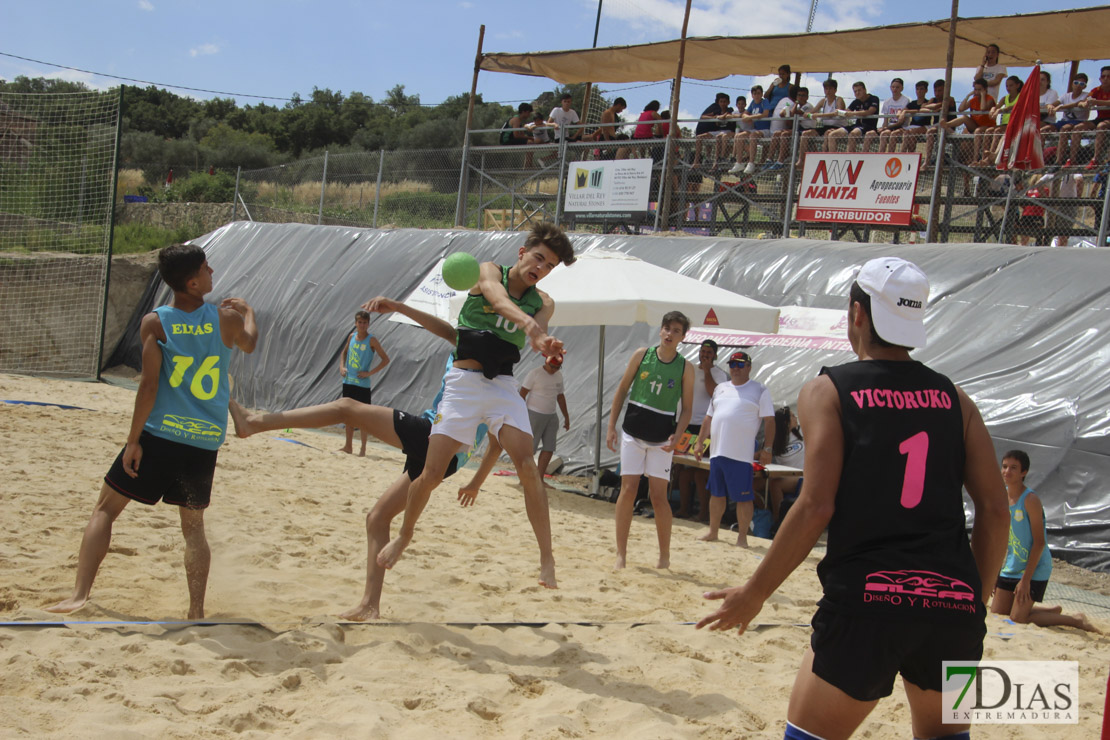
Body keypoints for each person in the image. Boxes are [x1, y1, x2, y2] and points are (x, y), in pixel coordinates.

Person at [697, 256, 1010, 740]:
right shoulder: (956, 398)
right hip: (952, 601)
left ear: (857, 314)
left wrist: (755, 593)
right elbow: (993, 509)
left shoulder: (828, 390)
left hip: (870, 597)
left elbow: (816, 505)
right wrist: (975, 601)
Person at [227, 297, 493, 621]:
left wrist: (398, 307)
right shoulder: (471, 354)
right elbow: (493, 440)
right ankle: (370, 606)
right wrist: (474, 481)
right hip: (441, 451)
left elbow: (498, 437)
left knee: (346, 408)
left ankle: (253, 423)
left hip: (433, 439)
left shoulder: (489, 366)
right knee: (377, 518)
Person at [46, 244, 259, 618]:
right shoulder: (226, 319)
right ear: (193, 283)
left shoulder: (156, 322)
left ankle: (80, 596)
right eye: (207, 268)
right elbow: (251, 343)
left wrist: (133, 441)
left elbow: (148, 386)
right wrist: (249, 312)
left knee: (104, 511)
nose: (212, 271)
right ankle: (195, 611)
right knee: (193, 529)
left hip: (160, 435)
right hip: (203, 441)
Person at [376, 222, 575, 590]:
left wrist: (544, 341)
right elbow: (498, 301)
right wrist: (530, 328)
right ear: (522, 253)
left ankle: (546, 558)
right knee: (432, 474)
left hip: (502, 385)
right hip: (463, 385)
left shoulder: (543, 302)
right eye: (539, 258)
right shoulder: (489, 270)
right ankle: (405, 534)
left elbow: (540, 330)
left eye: (549, 266)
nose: (541, 268)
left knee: (527, 466)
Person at [607, 311, 695, 570]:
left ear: (682, 337)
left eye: (676, 331)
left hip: (662, 439)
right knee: (629, 490)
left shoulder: (685, 367)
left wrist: (677, 437)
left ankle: (664, 556)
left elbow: (687, 409)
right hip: (633, 432)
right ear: (661, 330)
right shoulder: (642, 355)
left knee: (659, 497)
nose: (670, 333)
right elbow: (622, 389)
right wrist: (611, 426)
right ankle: (621, 554)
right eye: (667, 328)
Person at [989, 450, 1100, 633]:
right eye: (1005, 466)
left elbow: (1039, 543)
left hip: (1034, 568)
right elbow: (1003, 540)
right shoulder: (1002, 496)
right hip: (1012, 565)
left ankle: (1075, 620)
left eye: (1013, 468)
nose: (1007, 471)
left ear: (1023, 473)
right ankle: (1049, 610)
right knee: (998, 612)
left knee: (1018, 619)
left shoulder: (1030, 500)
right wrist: (996, 573)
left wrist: (1025, 580)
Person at [692, 350, 774, 548]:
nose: (735, 369)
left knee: (743, 497)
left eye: (740, 365)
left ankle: (742, 538)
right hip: (718, 451)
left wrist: (768, 448)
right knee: (716, 493)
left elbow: (770, 421)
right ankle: (713, 531)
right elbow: (708, 418)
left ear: (749, 367)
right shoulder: (721, 388)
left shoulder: (759, 389)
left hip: (741, 454)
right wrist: (699, 441)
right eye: (732, 365)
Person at [675, 339, 727, 521]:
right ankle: (683, 508)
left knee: (699, 469)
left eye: (709, 352)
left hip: (703, 427)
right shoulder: (689, 368)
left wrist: (707, 370)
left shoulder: (719, 374)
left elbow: (714, 393)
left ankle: (703, 512)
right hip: (685, 423)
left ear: (714, 355)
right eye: (703, 351)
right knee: (681, 470)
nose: (705, 355)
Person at [339, 309, 389, 456]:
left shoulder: (371, 340)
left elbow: (385, 359)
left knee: (363, 417)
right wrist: (342, 366)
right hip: (348, 381)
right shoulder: (352, 337)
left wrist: (369, 373)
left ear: (368, 324)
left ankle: (363, 449)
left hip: (362, 384)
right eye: (359, 322)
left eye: (364, 323)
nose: (362, 325)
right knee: (348, 415)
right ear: (355, 323)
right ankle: (348, 446)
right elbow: (344, 352)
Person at [520, 352, 570, 485]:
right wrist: (521, 414)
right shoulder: (534, 373)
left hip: (551, 415)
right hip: (534, 414)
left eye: (557, 367)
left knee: (549, 448)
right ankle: (524, 479)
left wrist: (566, 416)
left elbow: (560, 396)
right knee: (530, 448)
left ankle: (539, 479)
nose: (553, 370)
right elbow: (522, 394)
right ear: (546, 362)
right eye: (552, 366)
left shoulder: (558, 376)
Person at [937, 77, 995, 163]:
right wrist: (968, 96)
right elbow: (961, 109)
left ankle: (975, 159)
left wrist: (983, 95)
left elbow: (983, 108)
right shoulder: (973, 99)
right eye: (975, 89)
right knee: (964, 117)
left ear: (985, 89)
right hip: (975, 125)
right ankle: (947, 124)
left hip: (987, 126)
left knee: (978, 131)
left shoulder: (989, 99)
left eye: (980, 90)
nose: (977, 92)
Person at [797, 79, 848, 166]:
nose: (828, 91)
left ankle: (828, 159)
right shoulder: (823, 101)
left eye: (830, 89)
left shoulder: (839, 100)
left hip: (838, 127)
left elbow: (837, 112)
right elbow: (813, 111)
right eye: (826, 89)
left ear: (835, 90)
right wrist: (807, 114)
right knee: (805, 134)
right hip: (825, 126)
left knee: (828, 134)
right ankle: (801, 160)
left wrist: (819, 115)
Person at [768, 405, 804, 522]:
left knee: (775, 484)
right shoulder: (774, 439)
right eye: (793, 416)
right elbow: (763, 456)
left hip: (804, 476)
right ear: (786, 422)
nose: (796, 417)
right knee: (766, 484)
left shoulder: (802, 432)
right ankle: (778, 519)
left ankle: (783, 520)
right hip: (787, 477)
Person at [1048, 73, 1090, 166]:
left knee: (1064, 129)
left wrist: (1061, 107)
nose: (1078, 85)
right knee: (1043, 130)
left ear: (1084, 86)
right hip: (1063, 121)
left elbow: (1078, 103)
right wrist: (1050, 106)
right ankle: (1040, 159)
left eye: (1081, 84)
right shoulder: (1066, 96)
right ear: (1072, 84)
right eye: (1076, 82)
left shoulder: (1086, 95)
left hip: (1078, 121)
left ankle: (1060, 161)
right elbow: (1054, 103)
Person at [729, 85, 773, 174]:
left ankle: (751, 162)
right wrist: (747, 117)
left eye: (758, 93)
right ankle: (739, 162)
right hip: (756, 129)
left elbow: (765, 114)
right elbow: (745, 114)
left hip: (765, 130)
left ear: (761, 94)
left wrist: (751, 117)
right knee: (739, 136)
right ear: (752, 95)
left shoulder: (764, 102)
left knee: (753, 136)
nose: (756, 95)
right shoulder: (753, 103)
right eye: (754, 93)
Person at [826, 81, 879, 154]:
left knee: (853, 134)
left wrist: (851, 113)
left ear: (865, 90)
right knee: (832, 134)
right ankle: (833, 158)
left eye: (859, 90)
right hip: (856, 126)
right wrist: (839, 111)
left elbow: (870, 111)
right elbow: (846, 112)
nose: (857, 93)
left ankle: (850, 158)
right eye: (855, 91)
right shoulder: (856, 101)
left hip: (868, 127)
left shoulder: (874, 98)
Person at [865, 78, 910, 154]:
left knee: (889, 134)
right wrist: (884, 128)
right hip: (889, 127)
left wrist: (885, 128)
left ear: (902, 88)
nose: (895, 89)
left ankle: (889, 156)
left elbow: (901, 122)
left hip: (901, 127)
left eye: (897, 87)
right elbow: (885, 120)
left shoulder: (905, 100)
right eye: (893, 87)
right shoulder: (887, 102)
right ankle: (872, 156)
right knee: (870, 134)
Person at [694, 92, 734, 167]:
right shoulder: (717, 111)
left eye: (724, 102)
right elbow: (703, 116)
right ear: (718, 102)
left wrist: (722, 116)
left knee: (719, 137)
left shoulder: (730, 109)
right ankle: (696, 161)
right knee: (699, 137)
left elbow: (728, 115)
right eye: (721, 102)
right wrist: (714, 117)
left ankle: (718, 160)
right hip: (718, 131)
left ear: (728, 102)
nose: (722, 103)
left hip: (727, 131)